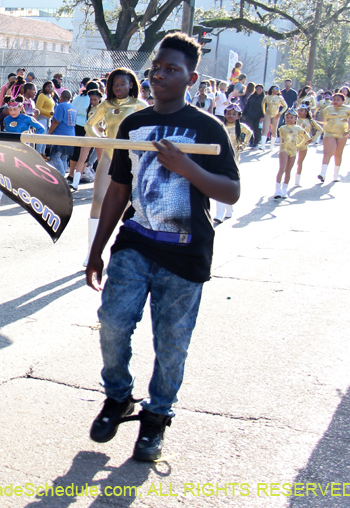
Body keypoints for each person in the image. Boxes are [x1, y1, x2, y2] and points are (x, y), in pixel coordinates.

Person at [86, 32, 240, 463]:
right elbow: (119, 191)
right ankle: (118, 397)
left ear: (191, 77)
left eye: (171, 70)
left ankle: (157, 418)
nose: (160, 76)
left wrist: (186, 165)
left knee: (171, 344)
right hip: (134, 244)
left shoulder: (208, 128)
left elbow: (230, 192)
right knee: (113, 323)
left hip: (185, 255)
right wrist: (97, 249)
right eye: (156, 68)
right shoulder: (133, 125)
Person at [83, 68, 148, 266]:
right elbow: (89, 126)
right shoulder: (106, 104)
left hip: (132, 159)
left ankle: (129, 249)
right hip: (109, 156)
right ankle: (92, 250)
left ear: (131, 84)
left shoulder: (140, 105)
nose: (118, 87)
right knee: (98, 199)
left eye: (122, 83)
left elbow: (148, 129)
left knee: (130, 206)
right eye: (114, 84)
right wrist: (100, 138)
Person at [0, 101, 45, 209]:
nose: (12, 112)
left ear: (20, 108)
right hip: (9, 150)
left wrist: (32, 138)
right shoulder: (7, 119)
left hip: (24, 151)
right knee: (1, 174)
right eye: (10, 109)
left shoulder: (27, 118)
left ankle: (35, 200)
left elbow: (42, 129)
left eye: (14, 109)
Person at [213, 103, 252, 223]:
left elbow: (249, 133)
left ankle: (229, 207)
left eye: (234, 114)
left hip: (234, 160)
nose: (231, 116)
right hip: (220, 159)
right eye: (229, 113)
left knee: (230, 184)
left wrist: (243, 145)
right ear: (224, 114)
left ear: (238, 116)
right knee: (220, 185)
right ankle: (219, 213)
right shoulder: (220, 126)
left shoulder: (241, 127)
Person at [317, 92, 350, 182]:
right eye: (334, 100)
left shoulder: (348, 109)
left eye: (338, 100)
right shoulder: (328, 109)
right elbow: (325, 120)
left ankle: (335, 175)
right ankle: (323, 173)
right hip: (329, 133)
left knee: (338, 154)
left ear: (343, 101)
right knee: (328, 152)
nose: (335, 101)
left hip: (342, 134)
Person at [273, 110, 309, 199]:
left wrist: (298, 146)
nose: (289, 119)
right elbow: (281, 140)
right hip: (283, 149)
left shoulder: (298, 128)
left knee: (288, 170)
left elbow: (307, 137)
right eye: (287, 117)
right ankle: (277, 190)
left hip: (293, 151)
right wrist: (282, 147)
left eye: (291, 117)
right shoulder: (282, 128)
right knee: (282, 168)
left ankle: (284, 189)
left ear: (295, 119)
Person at [47, 89, 77, 177]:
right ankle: (63, 175)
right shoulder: (73, 107)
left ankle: (61, 175)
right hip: (71, 134)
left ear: (61, 97)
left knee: (55, 157)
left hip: (60, 135)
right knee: (64, 157)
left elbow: (56, 121)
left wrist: (49, 132)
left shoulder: (61, 106)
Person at [293, 105, 322, 187]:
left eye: (301, 110)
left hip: (304, 143)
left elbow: (320, 129)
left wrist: (313, 138)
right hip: (293, 142)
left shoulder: (310, 121)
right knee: (289, 161)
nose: (299, 112)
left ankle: (297, 180)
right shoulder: (294, 119)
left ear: (306, 112)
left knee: (300, 162)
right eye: (298, 110)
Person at [262, 85, 289, 150]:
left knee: (274, 130)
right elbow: (262, 104)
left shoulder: (280, 98)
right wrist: (264, 112)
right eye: (275, 89)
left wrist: (280, 113)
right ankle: (262, 145)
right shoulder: (267, 97)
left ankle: (272, 146)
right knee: (265, 129)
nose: (277, 90)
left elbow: (285, 106)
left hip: (275, 114)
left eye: (278, 89)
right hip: (268, 113)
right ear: (272, 90)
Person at [35, 81, 56, 156]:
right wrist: (49, 113)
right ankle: (38, 154)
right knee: (41, 137)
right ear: (44, 87)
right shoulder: (42, 95)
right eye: (48, 86)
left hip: (48, 119)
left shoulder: (51, 96)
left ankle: (43, 154)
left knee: (45, 138)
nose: (50, 88)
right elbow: (38, 108)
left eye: (51, 86)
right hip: (42, 118)